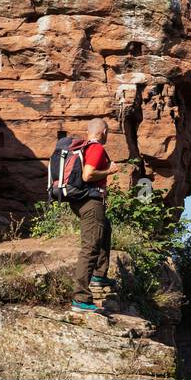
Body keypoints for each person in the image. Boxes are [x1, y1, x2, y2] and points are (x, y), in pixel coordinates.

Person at [70, 117, 116, 312]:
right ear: (103, 132)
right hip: (90, 202)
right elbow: (87, 175)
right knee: (90, 248)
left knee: (105, 228)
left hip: (79, 200)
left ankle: (99, 276)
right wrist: (109, 170)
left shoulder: (82, 147)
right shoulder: (96, 148)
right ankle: (80, 298)